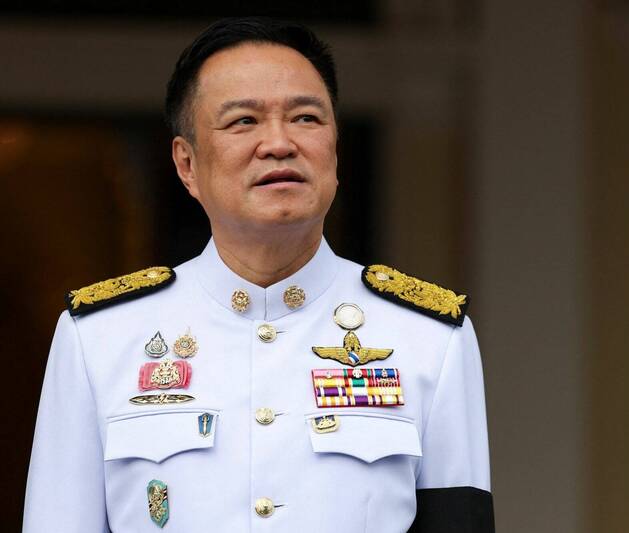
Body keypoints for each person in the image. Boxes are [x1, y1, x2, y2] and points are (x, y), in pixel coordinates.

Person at [23, 17, 493, 533]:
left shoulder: (429, 338)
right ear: (186, 164)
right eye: (243, 120)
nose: (279, 143)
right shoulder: (99, 337)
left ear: (335, 151)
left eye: (306, 118)